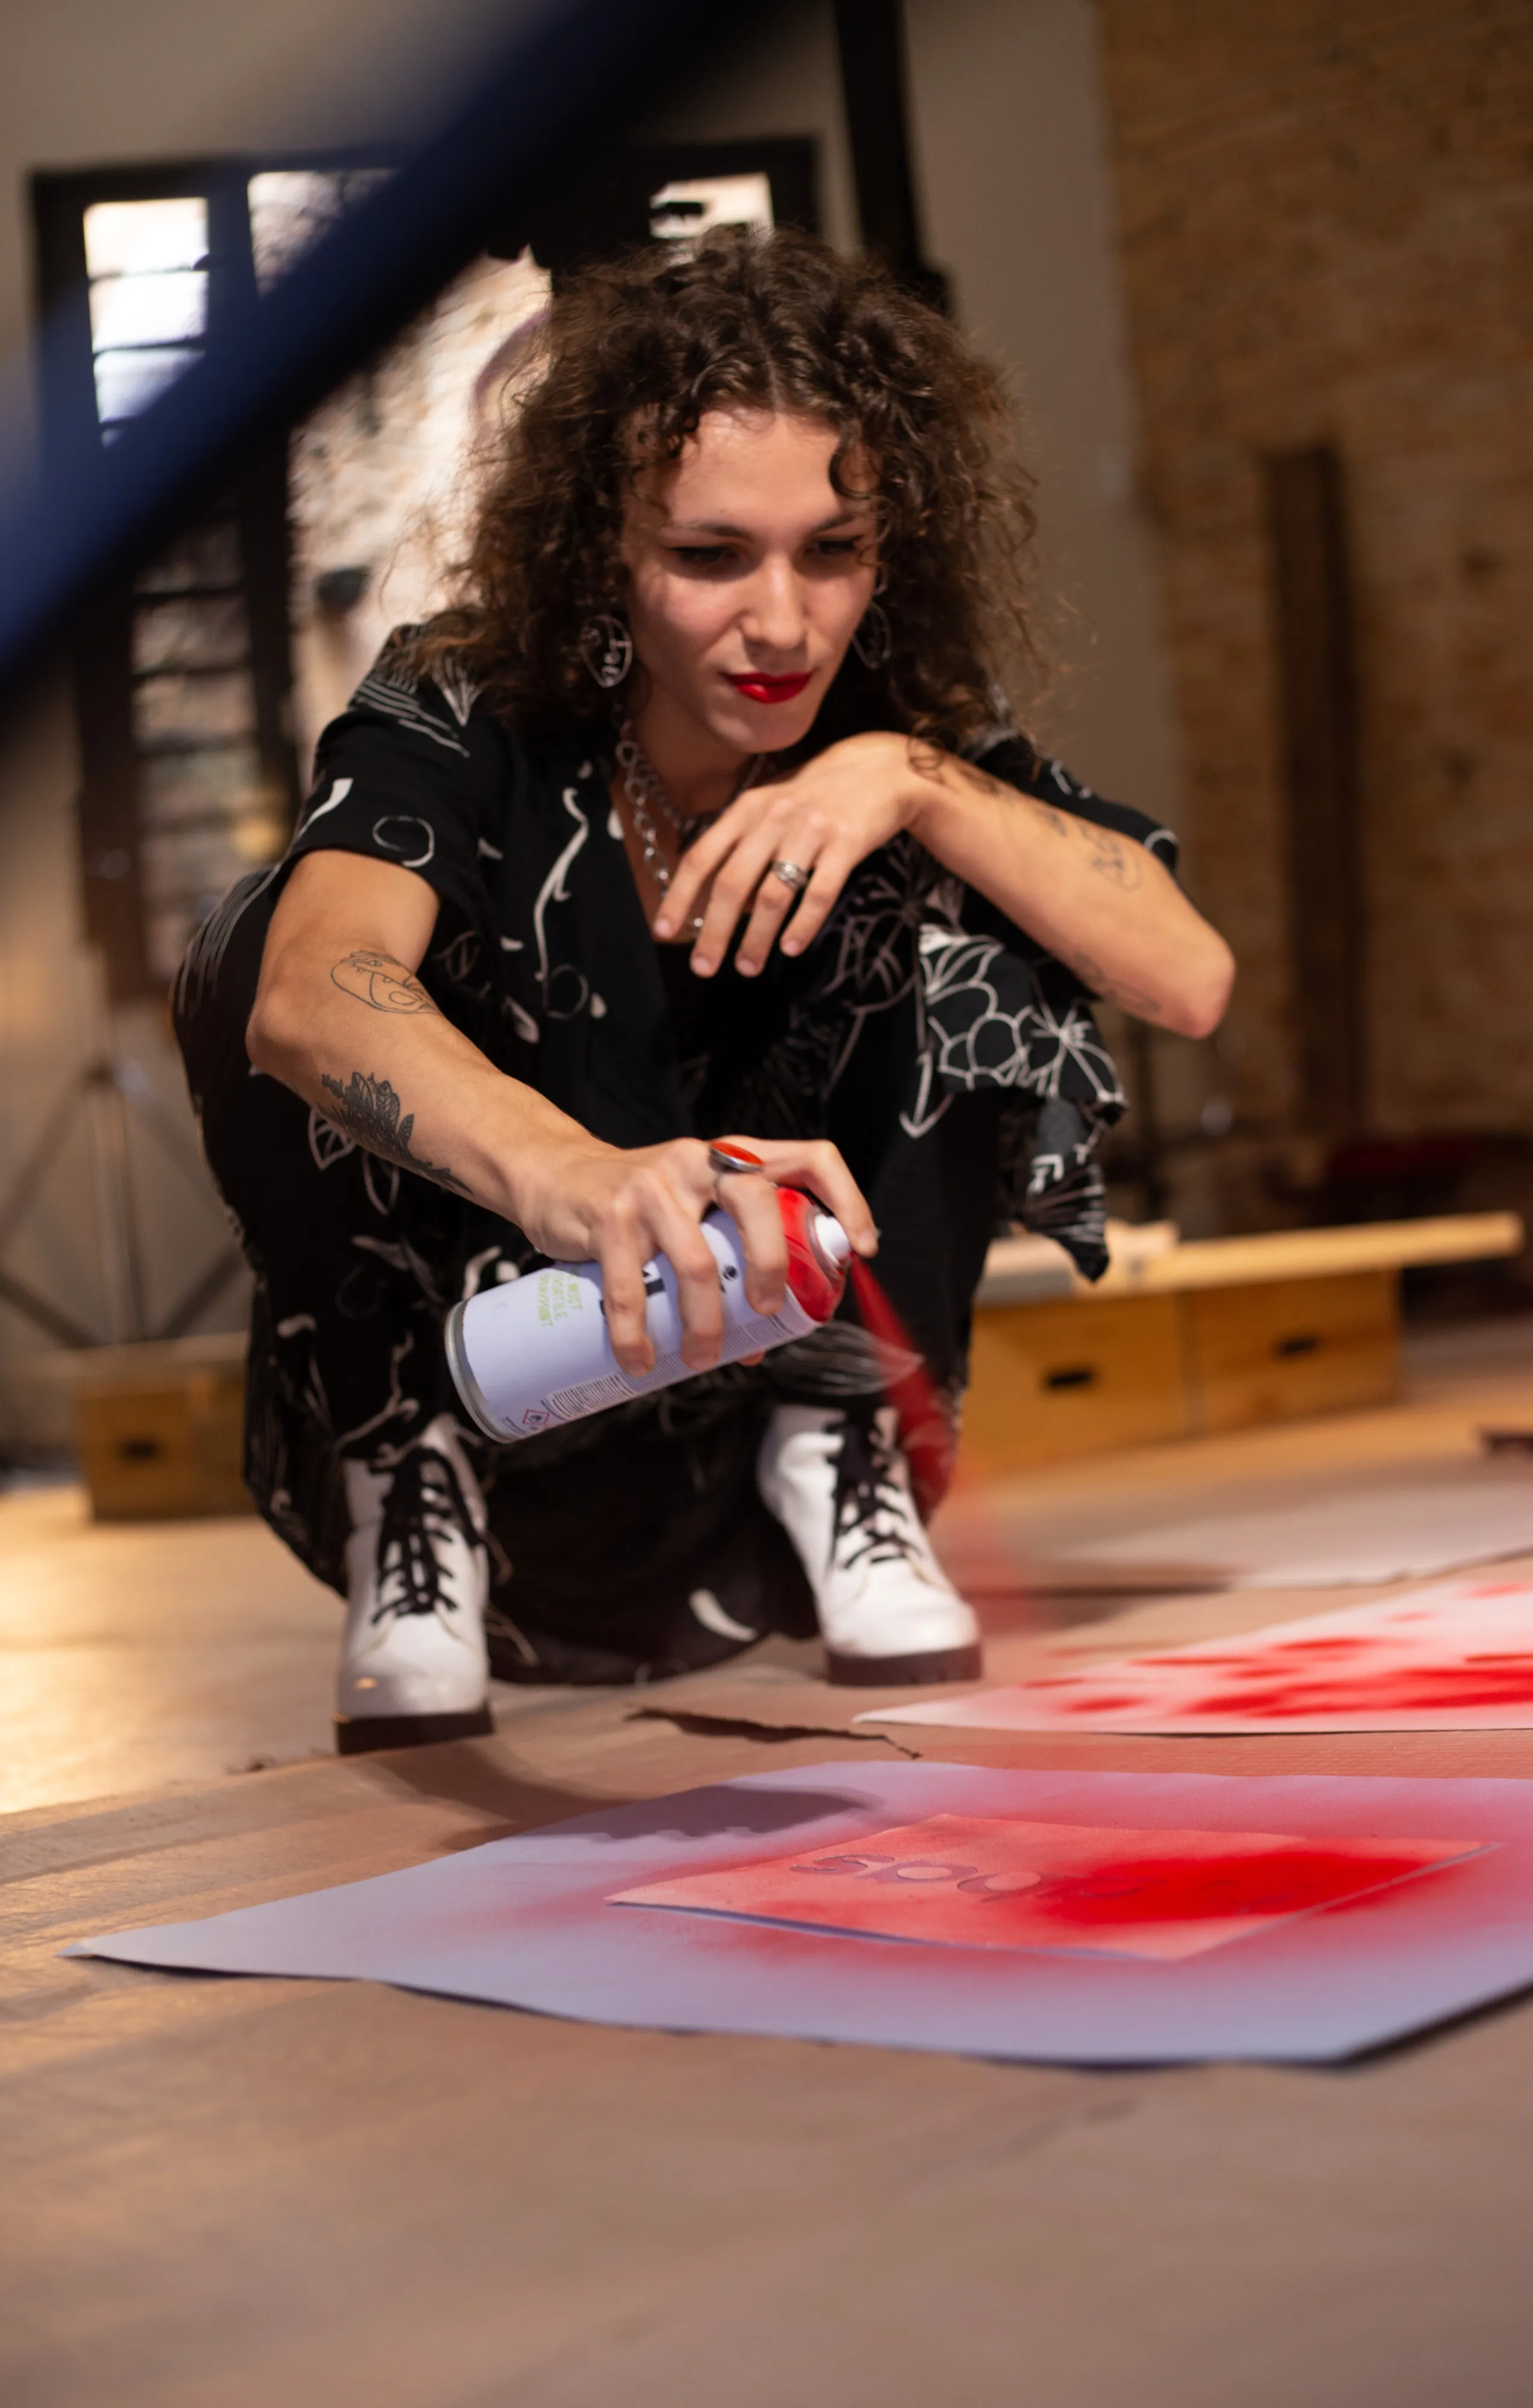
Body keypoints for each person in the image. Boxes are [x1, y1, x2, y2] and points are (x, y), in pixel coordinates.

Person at [173, 228, 1233, 1753]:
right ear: (604, 539)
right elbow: (307, 994)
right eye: (710, 555)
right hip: (506, 1375)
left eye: (836, 548)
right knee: (262, 933)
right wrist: (576, 1178)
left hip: (762, 1420)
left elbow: (1186, 976)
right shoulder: (461, 698)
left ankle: (844, 1437)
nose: (785, 623)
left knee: (993, 886)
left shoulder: (890, 710)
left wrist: (910, 775)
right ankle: (404, 1474)